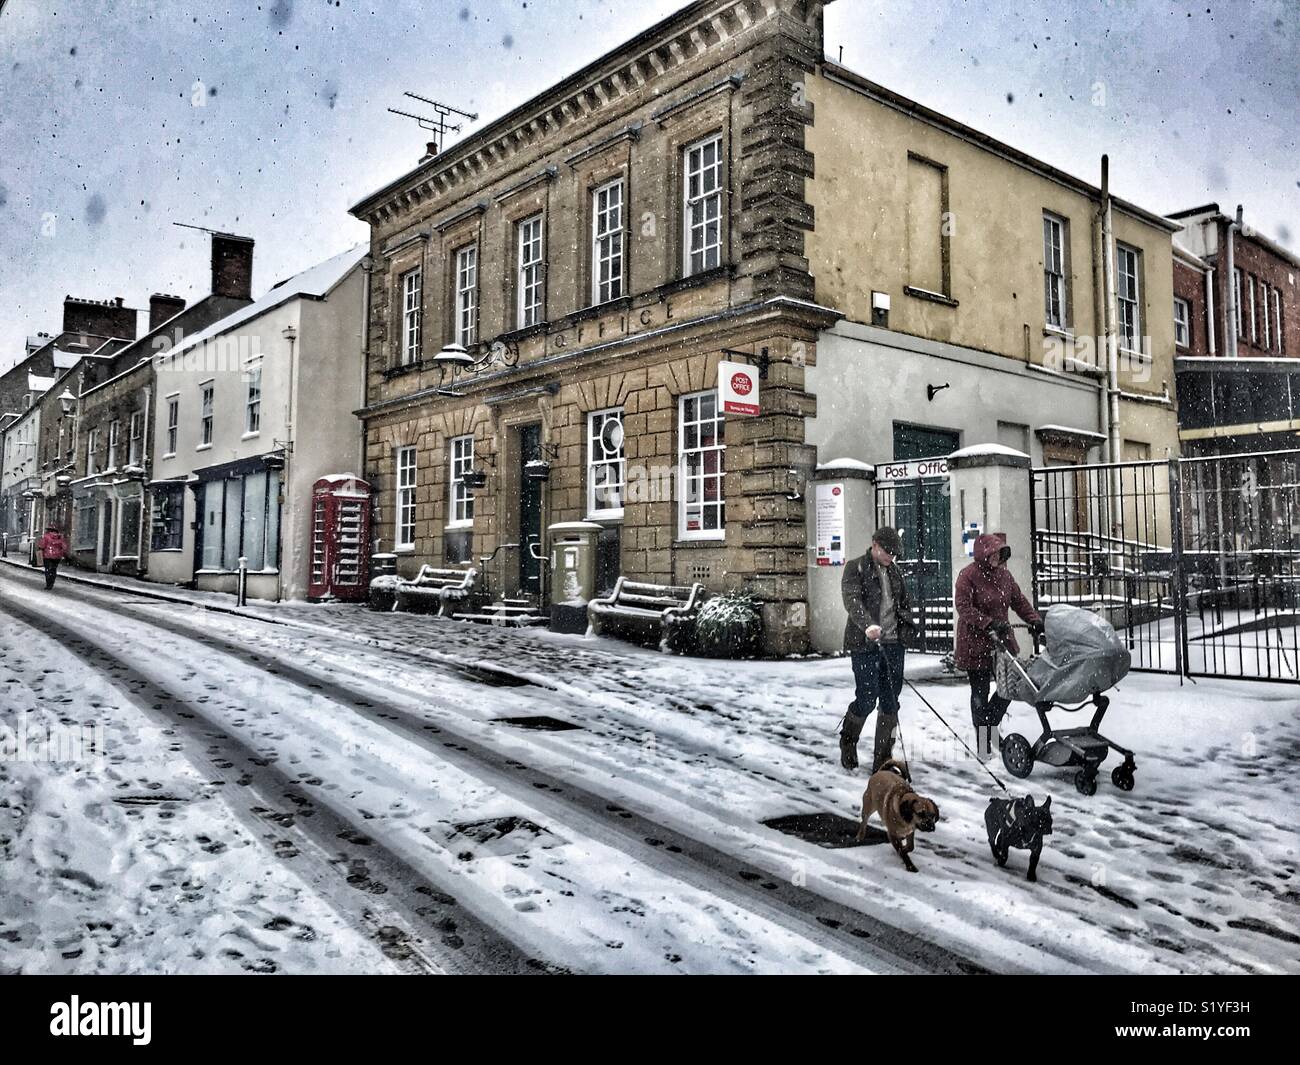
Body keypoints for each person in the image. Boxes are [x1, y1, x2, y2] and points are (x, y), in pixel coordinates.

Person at [954, 532, 1043, 761]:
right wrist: (988, 622)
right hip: (976, 641)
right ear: (984, 554)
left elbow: (1018, 601)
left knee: (1008, 687)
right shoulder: (968, 576)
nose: (998, 559)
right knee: (980, 691)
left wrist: (1033, 619)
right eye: (994, 554)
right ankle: (984, 742)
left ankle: (989, 727)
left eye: (1000, 554)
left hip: (1001, 640)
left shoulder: (1005, 576)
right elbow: (963, 608)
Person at [839, 526, 916, 772]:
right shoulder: (856, 567)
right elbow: (852, 600)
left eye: (894, 554)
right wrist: (867, 625)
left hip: (893, 645)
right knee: (867, 698)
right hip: (865, 645)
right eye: (887, 552)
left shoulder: (896, 572)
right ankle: (848, 740)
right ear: (875, 545)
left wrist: (906, 626)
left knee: (891, 701)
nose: (891, 557)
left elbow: (903, 603)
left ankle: (883, 761)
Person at [38, 525, 69, 590]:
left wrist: (40, 550)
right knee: (53, 569)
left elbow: (42, 546)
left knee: (47, 569)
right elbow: (64, 547)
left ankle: (48, 583)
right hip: (57, 557)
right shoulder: (60, 537)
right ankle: (52, 582)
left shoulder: (46, 537)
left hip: (47, 556)